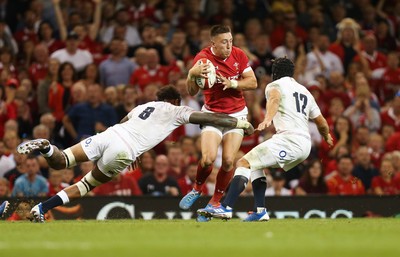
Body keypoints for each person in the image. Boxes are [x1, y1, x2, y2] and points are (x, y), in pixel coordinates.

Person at [16, 85, 254, 222]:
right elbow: (208, 117)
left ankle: (47, 149)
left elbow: (123, 121)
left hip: (109, 134)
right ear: (172, 100)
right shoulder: (176, 109)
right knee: (86, 185)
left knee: (62, 161)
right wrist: (239, 123)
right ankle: (44, 208)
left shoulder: (142, 106)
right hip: (124, 150)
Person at [198, 57, 333, 221]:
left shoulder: (275, 85)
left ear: (274, 72)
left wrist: (268, 118)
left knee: (242, 163)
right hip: (304, 145)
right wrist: (326, 136)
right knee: (256, 165)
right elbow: (321, 122)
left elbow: (275, 100)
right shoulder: (305, 91)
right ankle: (259, 210)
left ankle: (225, 207)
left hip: (289, 141)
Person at [179, 25, 257, 222]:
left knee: (229, 160)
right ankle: (197, 188)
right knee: (207, 159)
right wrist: (192, 74)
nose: (229, 45)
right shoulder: (202, 59)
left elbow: (253, 82)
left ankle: (215, 201)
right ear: (213, 43)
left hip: (236, 114)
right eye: (224, 42)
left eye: (230, 41)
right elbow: (191, 92)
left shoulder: (239, 55)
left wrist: (233, 83)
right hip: (212, 115)